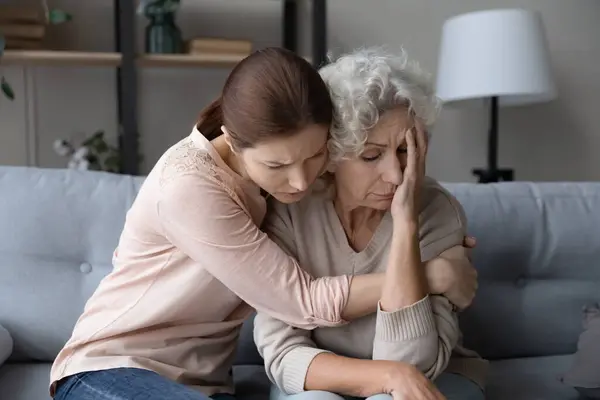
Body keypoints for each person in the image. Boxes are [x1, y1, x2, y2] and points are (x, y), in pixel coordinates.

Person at [49, 47, 475, 400]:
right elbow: (301, 302)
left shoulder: (284, 185)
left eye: (314, 157)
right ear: (232, 141)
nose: (301, 180)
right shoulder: (190, 189)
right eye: (278, 165)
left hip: (203, 385)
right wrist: (431, 273)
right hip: (111, 368)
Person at [253, 47, 487, 400]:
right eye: (372, 155)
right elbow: (284, 353)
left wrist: (406, 223)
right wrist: (430, 274)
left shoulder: (434, 210)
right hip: (322, 378)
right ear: (330, 155)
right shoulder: (289, 212)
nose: (395, 175)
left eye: (406, 151)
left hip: (432, 381)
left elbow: (412, 363)